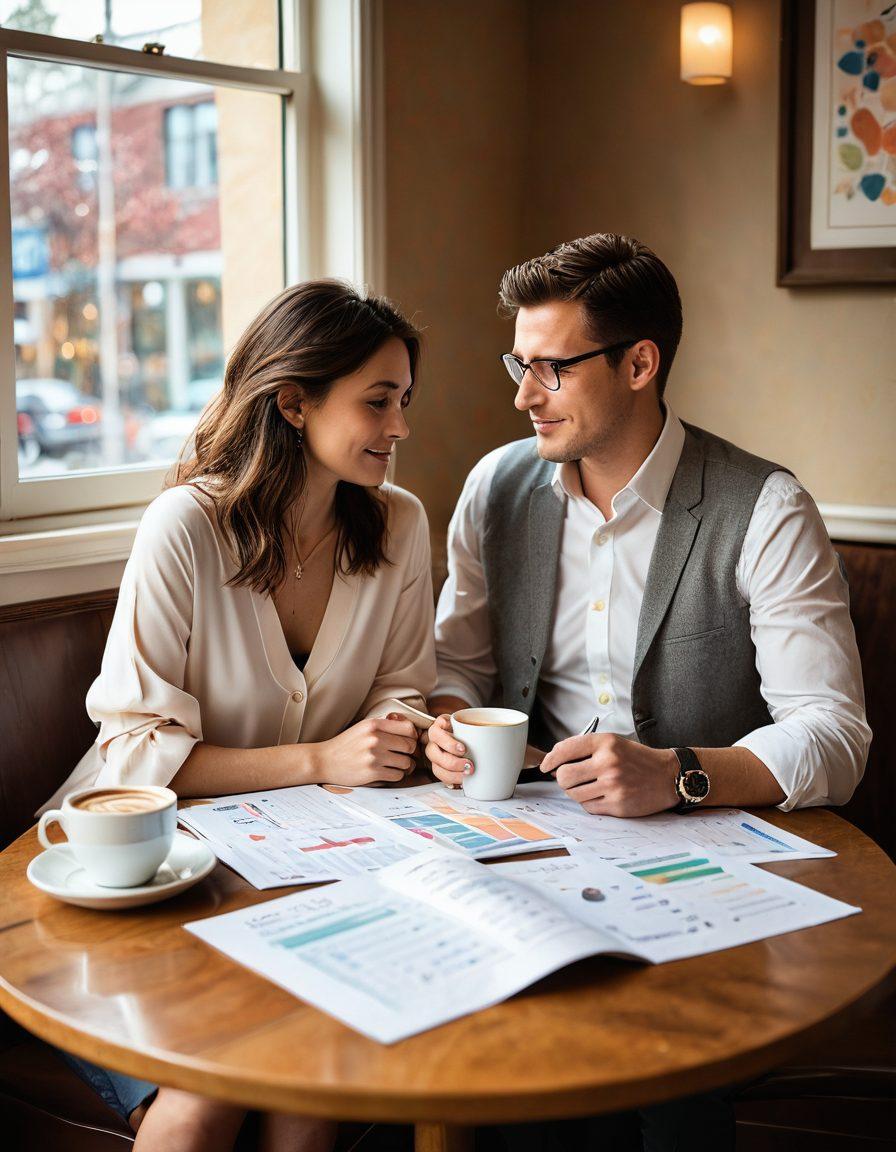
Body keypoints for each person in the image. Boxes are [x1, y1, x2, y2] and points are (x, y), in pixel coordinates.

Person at [425, 232, 870, 1150]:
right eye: (519, 363)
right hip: (516, 848)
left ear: (638, 363)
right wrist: (443, 724)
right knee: (447, 1038)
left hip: (703, 866)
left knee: (664, 1077)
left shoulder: (765, 508)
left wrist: (679, 774)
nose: (521, 395)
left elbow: (834, 733)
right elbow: (455, 673)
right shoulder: (495, 489)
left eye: (551, 369)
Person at [41, 280, 436, 1152]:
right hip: (138, 869)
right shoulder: (184, 528)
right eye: (377, 401)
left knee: (307, 1086)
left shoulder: (401, 527)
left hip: (310, 866)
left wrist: (412, 731)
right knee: (202, 1103)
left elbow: (400, 685)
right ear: (293, 401)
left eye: (404, 400)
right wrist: (323, 760)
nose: (400, 427)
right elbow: (135, 755)